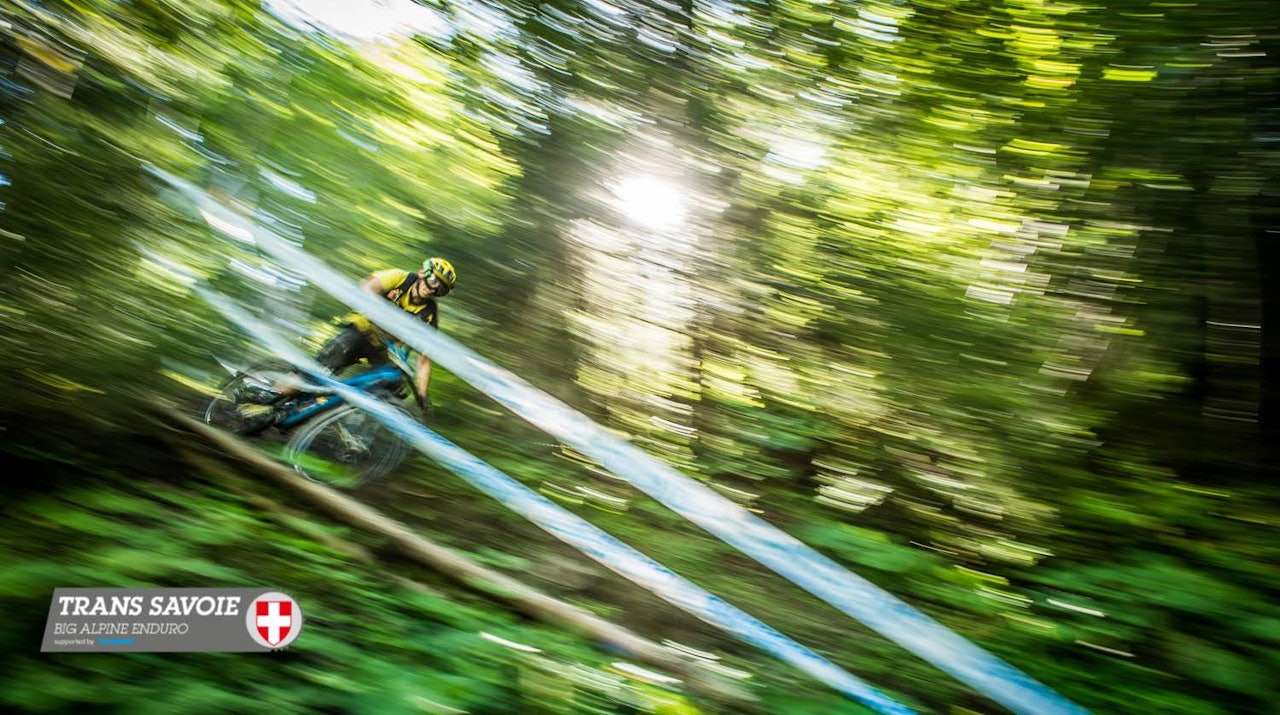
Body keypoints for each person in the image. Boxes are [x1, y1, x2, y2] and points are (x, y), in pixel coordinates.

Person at [240, 256, 457, 429]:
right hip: (360, 329)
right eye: (433, 281)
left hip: (380, 348)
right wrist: (379, 313)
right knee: (316, 371)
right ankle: (265, 397)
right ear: (423, 273)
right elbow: (366, 287)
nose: (434, 289)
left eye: (441, 289)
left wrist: (422, 394)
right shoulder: (399, 278)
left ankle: (337, 418)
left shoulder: (429, 314)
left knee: (392, 384)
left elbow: (424, 358)